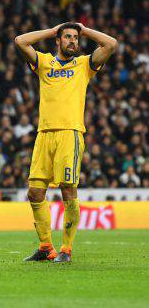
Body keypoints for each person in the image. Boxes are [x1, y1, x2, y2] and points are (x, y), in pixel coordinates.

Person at [15, 22, 117, 262]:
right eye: (68, 37)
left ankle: (66, 250)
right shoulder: (43, 62)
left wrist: (84, 29)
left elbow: (111, 44)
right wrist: (51, 30)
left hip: (69, 134)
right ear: (58, 41)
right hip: (44, 134)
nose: (73, 41)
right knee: (34, 193)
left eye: (75, 38)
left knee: (68, 190)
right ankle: (45, 247)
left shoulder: (84, 65)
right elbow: (20, 41)